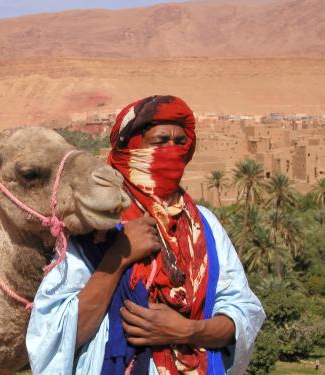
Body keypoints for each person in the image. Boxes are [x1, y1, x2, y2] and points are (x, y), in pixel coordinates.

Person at [26, 95, 266, 374]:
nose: (172, 150)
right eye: (160, 141)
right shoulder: (95, 228)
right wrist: (118, 257)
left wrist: (187, 330)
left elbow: (242, 314)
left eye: (180, 142)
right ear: (130, 149)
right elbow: (54, 336)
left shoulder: (205, 226)